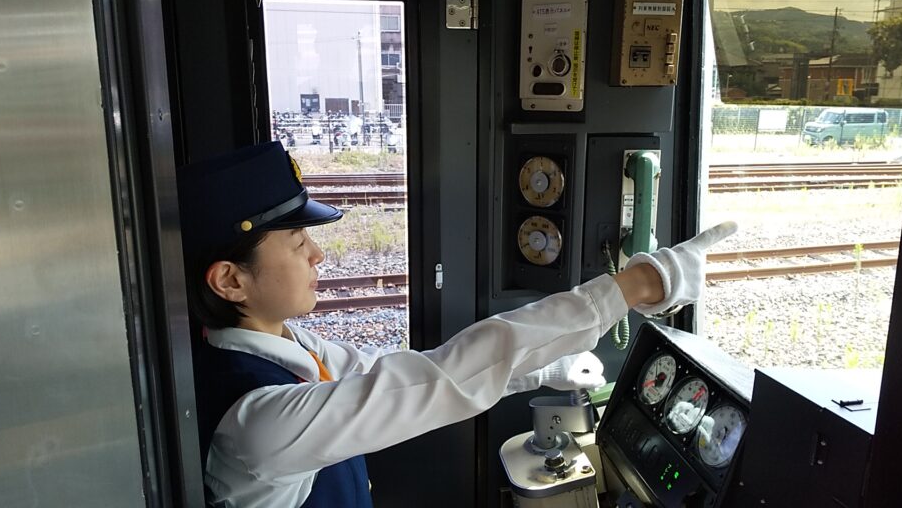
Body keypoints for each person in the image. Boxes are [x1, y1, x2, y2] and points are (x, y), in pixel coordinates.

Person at [176, 141, 736, 507]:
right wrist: (631, 287)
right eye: (299, 243)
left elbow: (396, 373)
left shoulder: (285, 344)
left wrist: (540, 371)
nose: (318, 255)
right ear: (230, 281)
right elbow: (439, 382)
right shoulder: (256, 420)